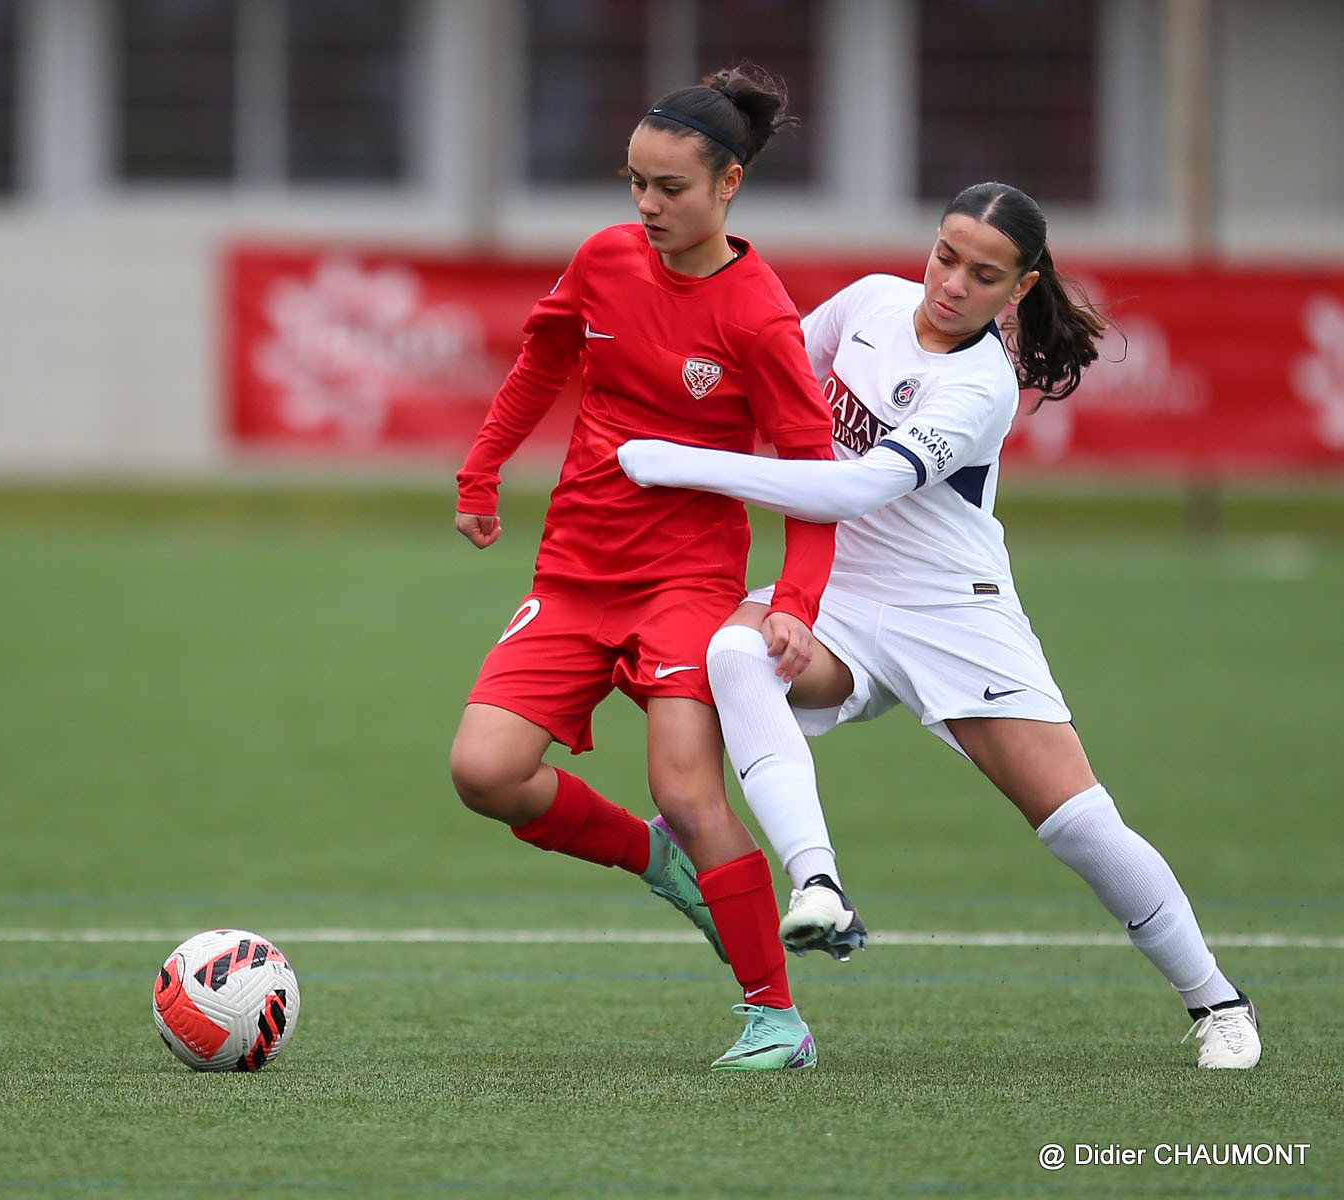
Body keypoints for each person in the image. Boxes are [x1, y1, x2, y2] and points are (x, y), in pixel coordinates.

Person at [617, 180, 1263, 1069]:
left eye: (983, 274)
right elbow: (763, 391)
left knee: (1078, 824)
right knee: (734, 651)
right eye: (946, 256)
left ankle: (1218, 1003)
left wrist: (684, 466)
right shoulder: (872, 304)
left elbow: (856, 487)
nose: (952, 283)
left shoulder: (981, 386)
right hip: (839, 598)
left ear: (1021, 289)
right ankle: (817, 883)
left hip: (954, 614)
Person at [449, 66, 838, 1070]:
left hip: (687, 584)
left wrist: (793, 602)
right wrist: (482, 471)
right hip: (575, 571)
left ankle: (775, 1016)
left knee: (690, 787)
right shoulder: (604, 262)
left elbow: (812, 478)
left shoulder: (760, 316)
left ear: (729, 186)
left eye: (670, 187)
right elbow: (542, 361)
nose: (648, 205)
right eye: (635, 183)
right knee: (484, 772)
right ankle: (650, 860)